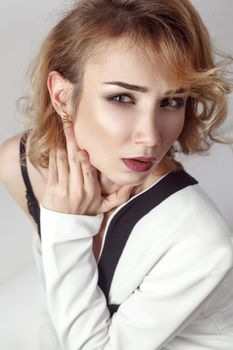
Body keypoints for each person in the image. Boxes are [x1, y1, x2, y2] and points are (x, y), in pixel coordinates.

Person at [1, 0, 233, 349]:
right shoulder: (21, 166)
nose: (151, 136)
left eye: (172, 102)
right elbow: (57, 304)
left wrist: (64, 224)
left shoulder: (198, 239)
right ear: (62, 96)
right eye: (123, 97)